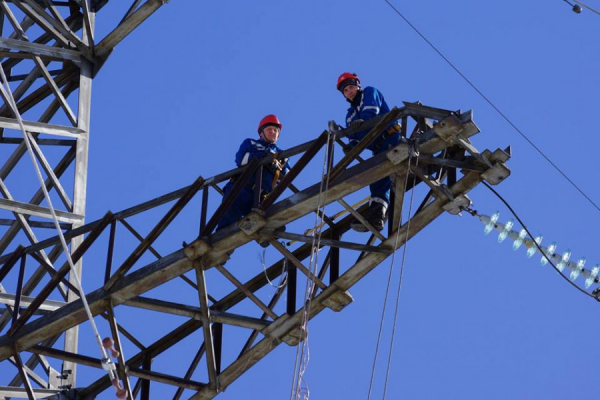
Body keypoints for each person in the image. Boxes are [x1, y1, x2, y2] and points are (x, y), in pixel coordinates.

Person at [337, 72, 403, 232]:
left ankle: (377, 215)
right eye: (345, 90)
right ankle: (376, 214)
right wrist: (351, 147)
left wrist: (362, 125)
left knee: (381, 178)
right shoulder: (350, 114)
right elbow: (353, 137)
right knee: (377, 179)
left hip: (390, 138)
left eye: (351, 87)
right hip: (378, 148)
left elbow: (370, 113)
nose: (349, 91)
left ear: (357, 86)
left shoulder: (369, 92)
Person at [216, 114, 291, 231]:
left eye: (275, 130)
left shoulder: (282, 155)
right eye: (269, 129)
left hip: (260, 196)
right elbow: (241, 160)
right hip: (241, 188)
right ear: (261, 133)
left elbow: (288, 176)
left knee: (266, 218)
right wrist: (261, 157)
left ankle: (268, 233)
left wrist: (277, 166)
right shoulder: (250, 143)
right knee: (228, 221)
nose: (273, 132)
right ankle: (221, 243)